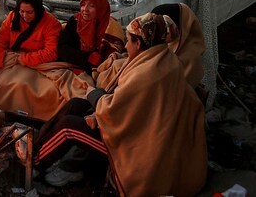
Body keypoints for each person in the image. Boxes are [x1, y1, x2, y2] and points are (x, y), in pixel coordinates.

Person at [35, 13, 207, 195]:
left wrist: (95, 95)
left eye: (129, 40)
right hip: (142, 133)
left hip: (137, 151)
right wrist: (97, 98)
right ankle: (38, 145)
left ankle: (34, 161)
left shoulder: (147, 74)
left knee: (68, 126)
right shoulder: (165, 59)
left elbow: (112, 111)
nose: (125, 45)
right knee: (76, 104)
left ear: (139, 43)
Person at [0, 0, 61, 70]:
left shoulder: (51, 23)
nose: (25, 15)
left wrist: (23, 59)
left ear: (37, 10)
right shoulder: (13, 16)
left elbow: (51, 52)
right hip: (12, 56)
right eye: (22, 11)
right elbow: (1, 39)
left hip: (35, 63)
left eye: (29, 12)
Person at [57, 0, 124, 74]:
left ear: (100, 8)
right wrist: (87, 57)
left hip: (100, 72)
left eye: (92, 6)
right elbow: (62, 48)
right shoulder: (75, 21)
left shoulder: (111, 27)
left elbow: (111, 60)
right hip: (70, 67)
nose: (85, 9)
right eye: (83, 5)